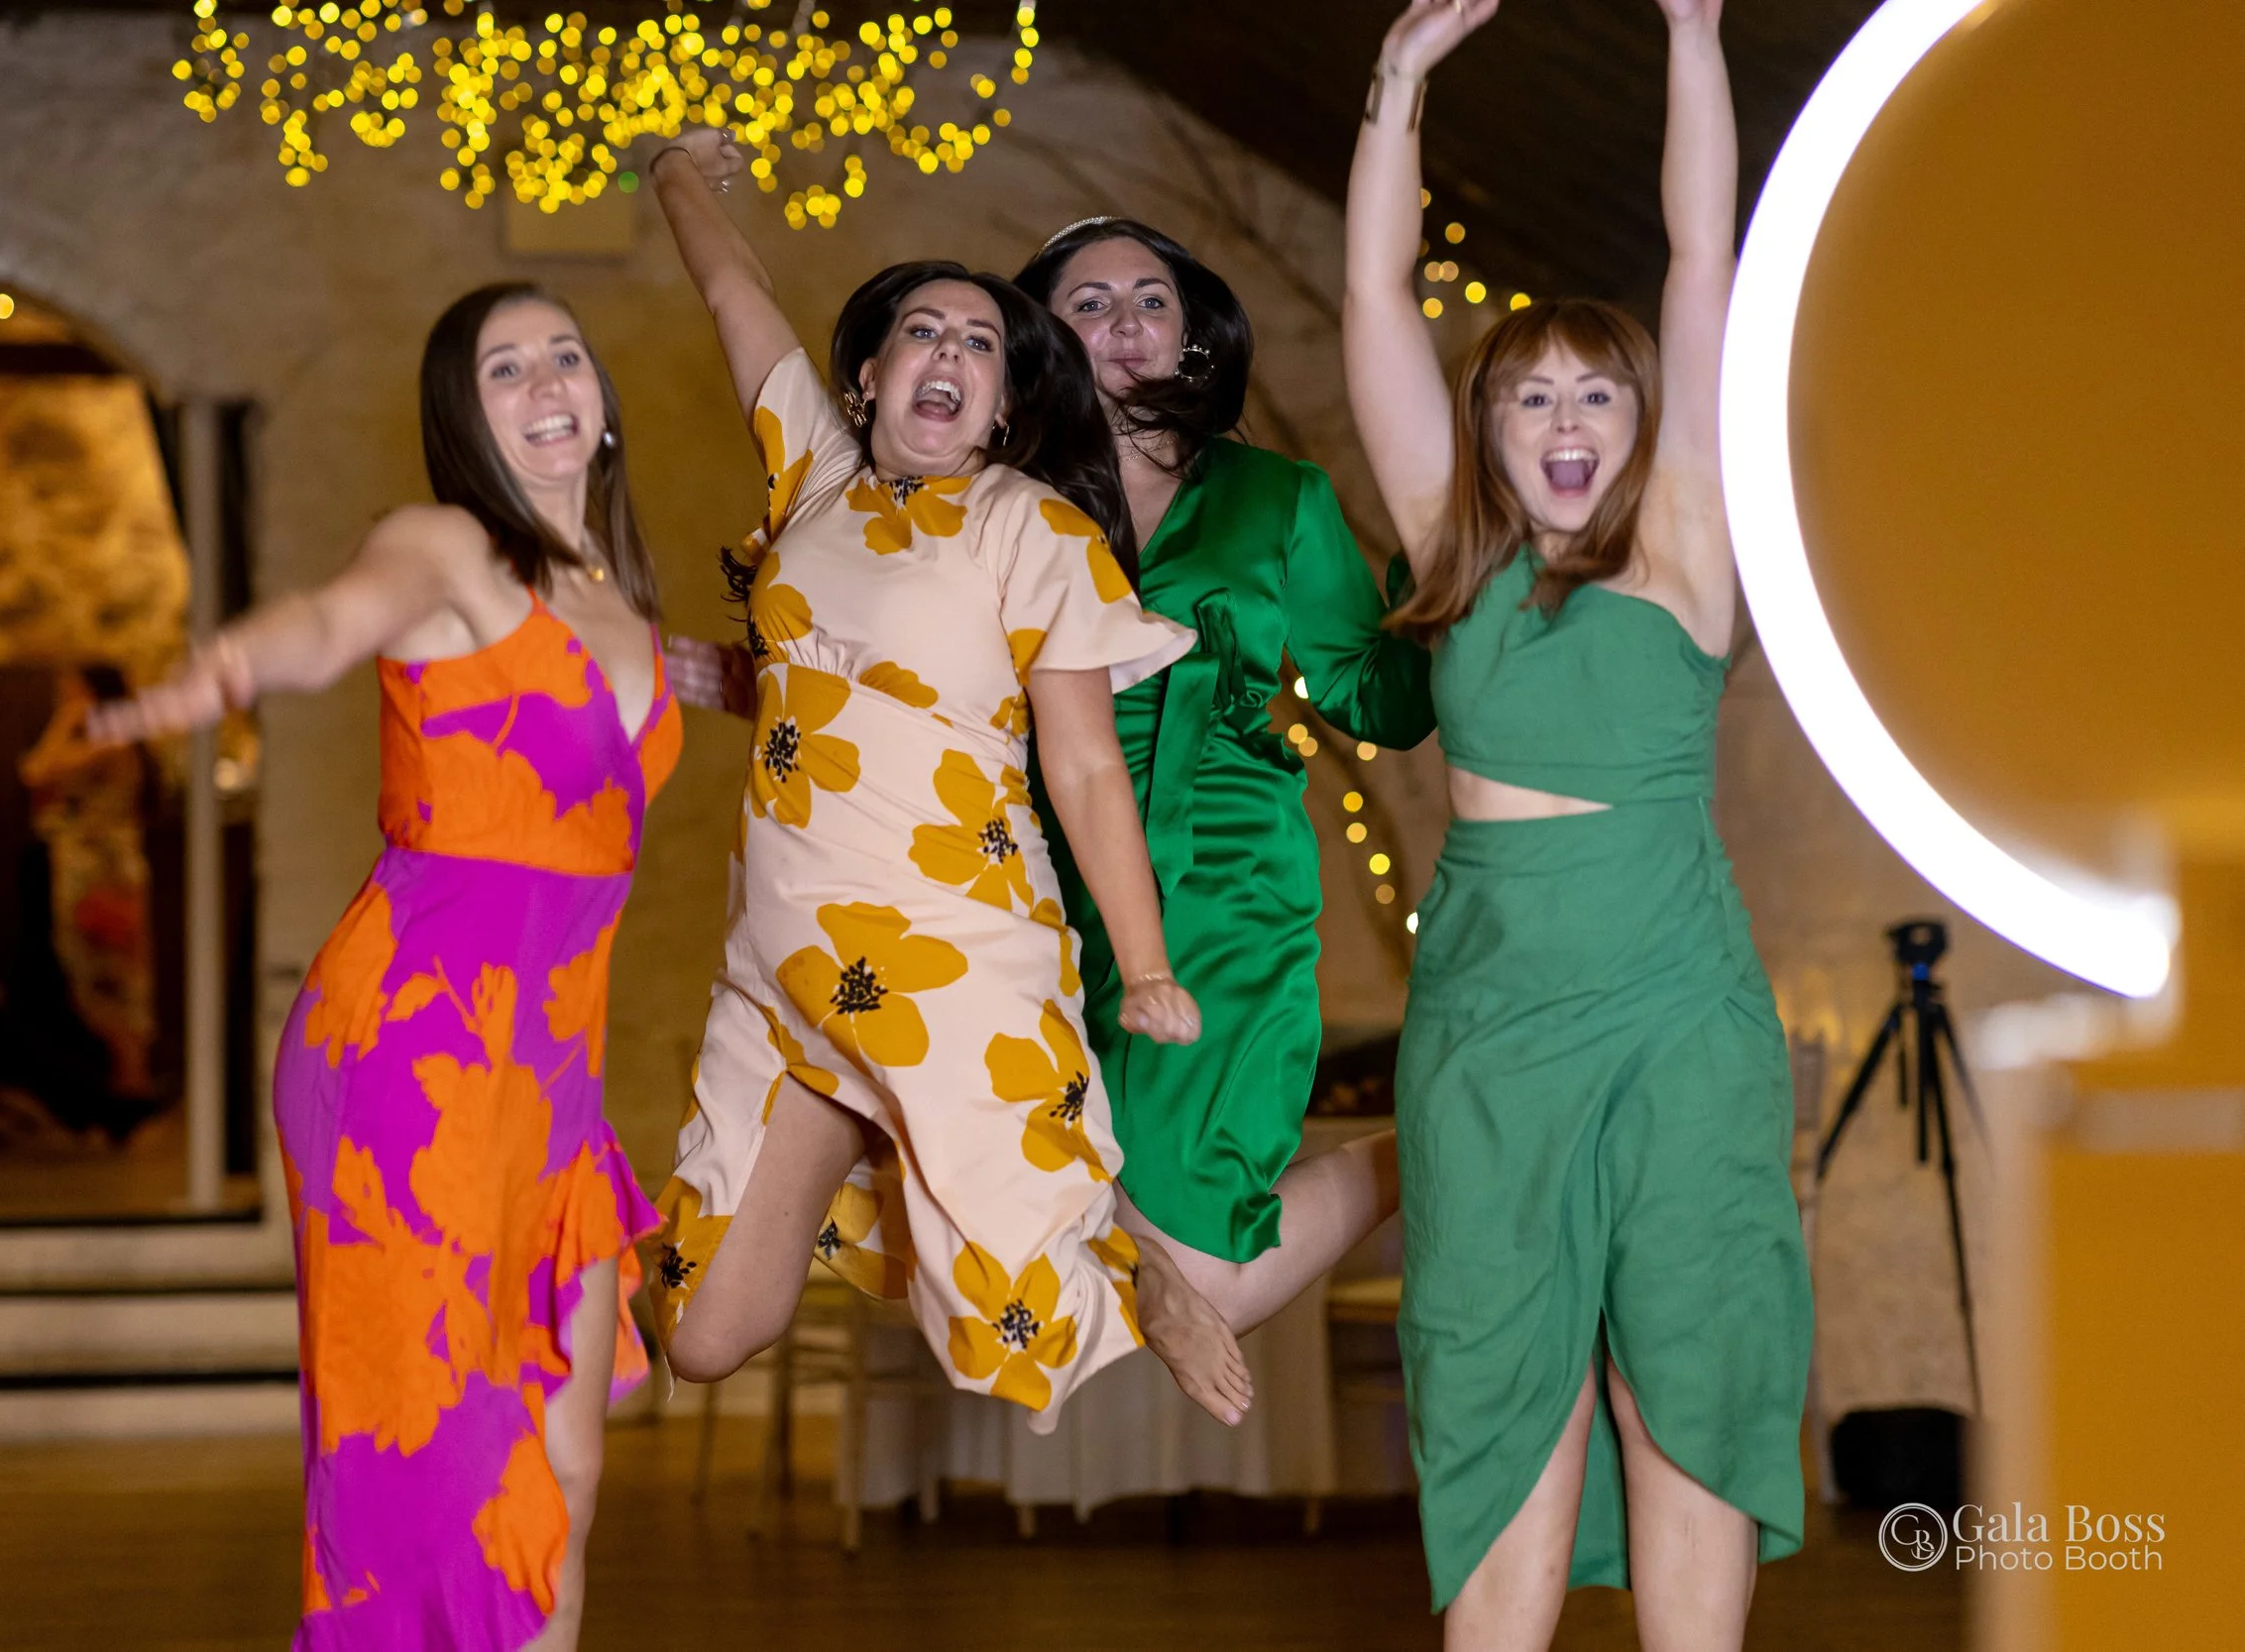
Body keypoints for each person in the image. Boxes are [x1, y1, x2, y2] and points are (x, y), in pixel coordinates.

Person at [92, 283, 674, 1651]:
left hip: (550, 1076)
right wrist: (226, 666)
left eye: (566, 357)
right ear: (464, 416)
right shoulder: (445, 550)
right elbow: (333, 616)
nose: (546, 384)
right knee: (451, 1475)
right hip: (408, 1056)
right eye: (503, 367)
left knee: (569, 1462)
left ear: (600, 398)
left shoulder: (618, 600)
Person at [647, 129, 1254, 1433]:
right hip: (786, 973)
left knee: (1027, 1280)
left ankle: (1145, 1264)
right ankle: (899, 1144)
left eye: (982, 347)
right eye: (927, 331)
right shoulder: (810, 469)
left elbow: (1086, 763)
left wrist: (1144, 967)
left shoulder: (1031, 531)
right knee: (701, 1329)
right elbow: (729, 293)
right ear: (869, 376)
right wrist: (672, 174)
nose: (953, 356)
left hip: (952, 963)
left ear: (1005, 410)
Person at [1344, 1, 1809, 1645]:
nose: (1561, 422)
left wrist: (1692, 31)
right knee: (1494, 1395)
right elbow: (1375, 305)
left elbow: (1704, 261)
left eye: (1594, 399)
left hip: (1680, 1022)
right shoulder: (1447, 554)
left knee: (1684, 1376)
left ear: (1635, 428)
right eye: (1528, 398)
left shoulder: (1687, 545)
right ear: (1486, 434)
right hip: (1486, 1038)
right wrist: (1400, 81)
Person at [1013, 218, 1435, 1337]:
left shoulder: (1277, 496)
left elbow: (1382, 703)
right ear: (1040, 336)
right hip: (1028, 881)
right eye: (1089, 301)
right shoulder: (993, 499)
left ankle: (1422, 1142)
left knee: (1193, 1257)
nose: (1126, 322)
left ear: (1192, 333)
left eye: (1152, 299)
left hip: (1226, 880)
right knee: (1055, 1235)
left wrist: (1443, 564)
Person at [20, 664, 159, 1107]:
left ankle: (130, 1081)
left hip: (103, 871)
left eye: (73, 693)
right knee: (96, 969)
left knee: (110, 971)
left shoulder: (111, 740)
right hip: (92, 867)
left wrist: (64, 721)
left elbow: (37, 771)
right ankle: (122, 1081)